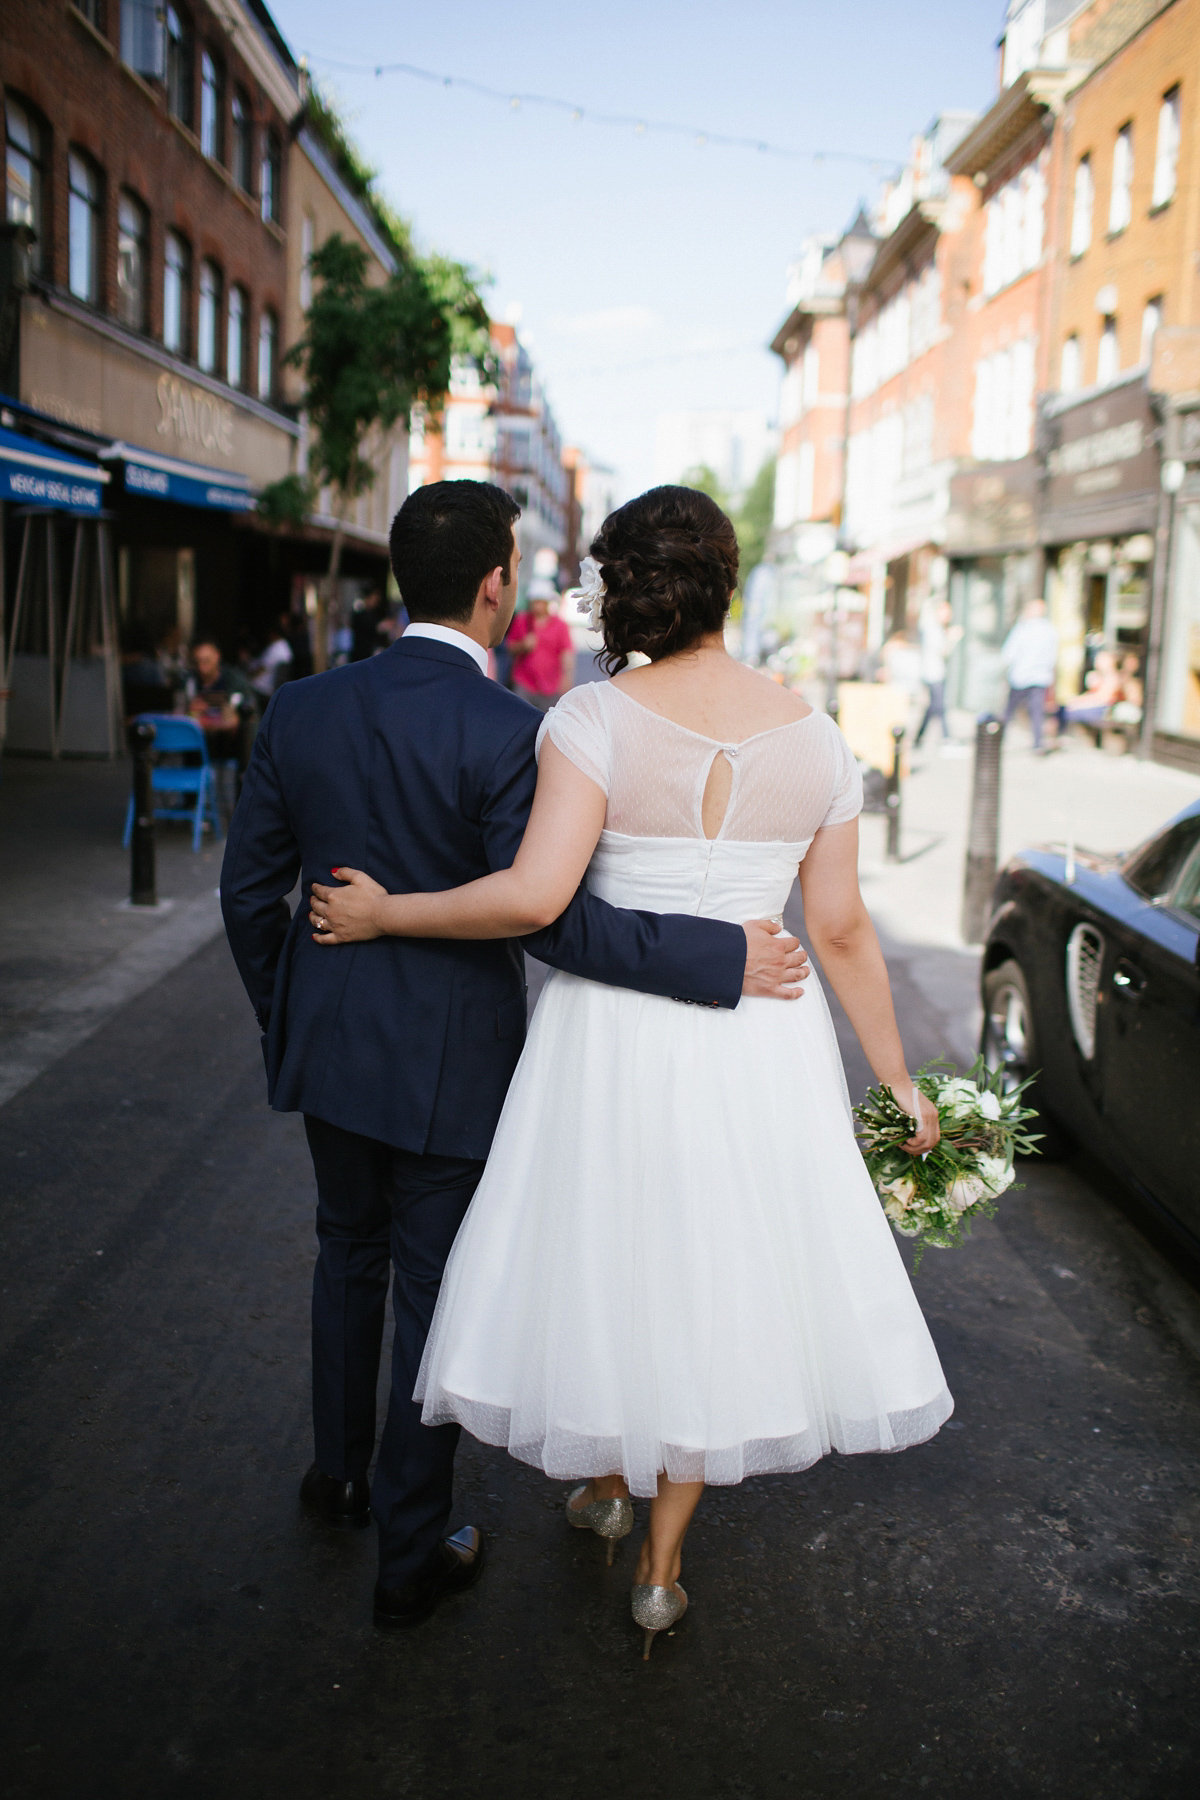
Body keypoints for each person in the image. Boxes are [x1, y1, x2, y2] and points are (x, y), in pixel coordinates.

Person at [309, 485, 951, 1659]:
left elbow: (535, 899)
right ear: (729, 585)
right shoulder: (816, 740)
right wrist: (899, 1080)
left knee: (613, 1249)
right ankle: (658, 1567)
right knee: (717, 1269)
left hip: (607, 1039)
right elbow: (846, 928)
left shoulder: (590, 720)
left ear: (626, 587)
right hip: (761, 1039)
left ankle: (604, 1482)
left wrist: (390, 910)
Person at [220, 480, 809, 1633]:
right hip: (452, 1062)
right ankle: (412, 1548)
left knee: (346, 1251)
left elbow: (251, 898)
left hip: (330, 1045)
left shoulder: (302, 709)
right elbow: (551, 920)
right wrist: (716, 955)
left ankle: (335, 1474)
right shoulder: (514, 732)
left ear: (402, 580)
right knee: (431, 1289)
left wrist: (280, 1014)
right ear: (496, 585)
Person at [1001, 598, 1059, 754]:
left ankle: (998, 738)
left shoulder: (1023, 629)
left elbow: (1009, 653)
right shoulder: (1049, 630)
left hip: (1021, 676)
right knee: (1036, 711)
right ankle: (1037, 743)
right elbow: (1053, 657)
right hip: (1040, 676)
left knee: (1009, 709)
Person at [187, 638, 256, 768]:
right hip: (198, 743)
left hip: (232, 745)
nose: (202, 668)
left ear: (217, 657)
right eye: (197, 662)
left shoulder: (233, 680)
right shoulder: (190, 681)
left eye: (206, 661)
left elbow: (238, 719)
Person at [507, 579, 574, 711]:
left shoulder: (559, 625)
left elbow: (566, 653)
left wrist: (567, 678)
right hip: (524, 682)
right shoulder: (522, 620)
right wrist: (523, 645)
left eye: (540, 601)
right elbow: (510, 647)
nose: (537, 605)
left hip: (550, 686)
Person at [914, 600, 962, 746]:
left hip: (934, 672)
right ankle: (946, 738)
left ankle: (918, 738)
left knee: (932, 707)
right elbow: (943, 651)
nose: (948, 616)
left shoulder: (935, 628)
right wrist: (953, 639)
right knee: (940, 706)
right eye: (946, 612)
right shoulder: (933, 629)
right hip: (933, 673)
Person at [248, 618, 294, 714]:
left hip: (263, 688)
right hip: (270, 687)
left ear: (273, 633)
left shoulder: (276, 648)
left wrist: (246, 678)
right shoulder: (285, 646)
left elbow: (260, 670)